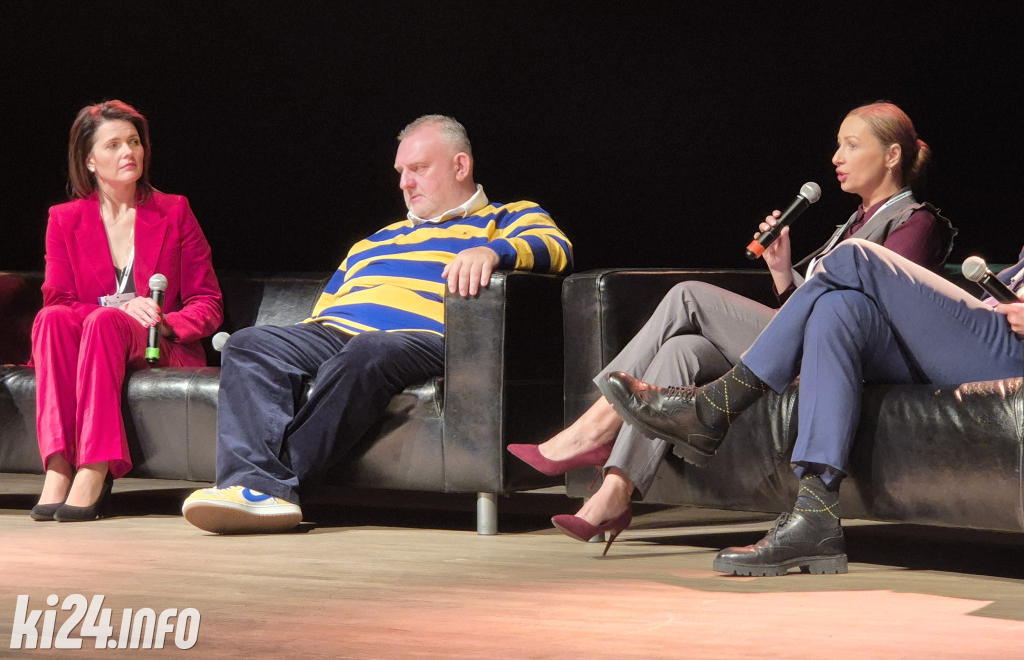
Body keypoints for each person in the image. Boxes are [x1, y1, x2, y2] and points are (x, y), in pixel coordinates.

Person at [507, 102, 955, 551]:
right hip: (799, 347)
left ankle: (593, 428)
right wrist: (783, 271)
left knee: (689, 295)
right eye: (838, 145)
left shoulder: (916, 223)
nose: (836, 157)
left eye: (852, 145)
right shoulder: (850, 226)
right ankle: (613, 493)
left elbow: (870, 315)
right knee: (680, 351)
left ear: (892, 155)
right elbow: (806, 306)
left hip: (842, 361)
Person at [182, 114, 573, 534]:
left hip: (422, 337)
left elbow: (556, 248)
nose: (405, 183)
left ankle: (264, 488)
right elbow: (326, 306)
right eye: (401, 172)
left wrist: (494, 252)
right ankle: (253, 488)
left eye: (419, 169)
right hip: (334, 332)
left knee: (370, 349)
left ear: (460, 166)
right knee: (248, 343)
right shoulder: (374, 240)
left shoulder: (507, 217)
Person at [607, 238, 1024, 574]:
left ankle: (718, 405)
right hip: (990, 327)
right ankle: (816, 515)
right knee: (837, 309)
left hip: (1009, 353)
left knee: (854, 255)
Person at [31, 100, 223, 522]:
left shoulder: (174, 211)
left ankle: (95, 467)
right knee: (51, 318)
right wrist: (113, 305)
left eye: (133, 142)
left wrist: (164, 322)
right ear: (90, 160)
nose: (128, 152)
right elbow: (58, 299)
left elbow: (207, 302)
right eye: (114, 144)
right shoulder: (64, 219)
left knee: (104, 322)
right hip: (94, 339)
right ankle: (59, 463)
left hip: (157, 344)